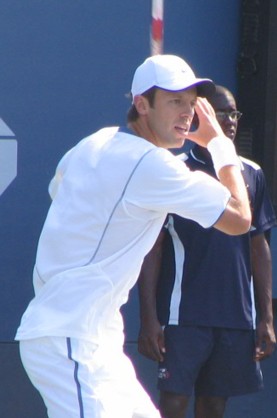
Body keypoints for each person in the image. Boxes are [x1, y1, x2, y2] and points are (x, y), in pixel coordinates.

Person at [15, 55, 251, 418]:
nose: (187, 113)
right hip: (68, 338)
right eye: (175, 101)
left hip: (98, 341)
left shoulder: (94, 143)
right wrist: (218, 144)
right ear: (142, 104)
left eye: (191, 103)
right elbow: (238, 218)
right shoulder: (153, 166)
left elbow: (57, 189)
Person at [137, 85, 277, 418]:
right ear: (199, 116)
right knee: (173, 403)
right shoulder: (174, 169)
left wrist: (267, 316)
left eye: (234, 113)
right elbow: (152, 249)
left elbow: (259, 246)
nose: (230, 121)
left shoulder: (251, 173)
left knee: (214, 405)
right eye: (221, 113)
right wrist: (148, 318)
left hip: (235, 316)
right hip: (182, 315)